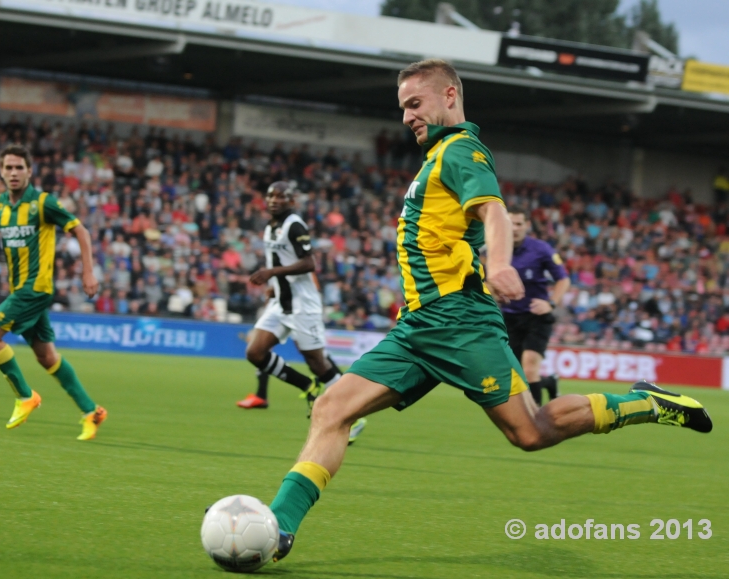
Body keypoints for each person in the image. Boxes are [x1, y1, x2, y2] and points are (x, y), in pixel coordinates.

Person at [261, 59, 712, 562]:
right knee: (331, 408)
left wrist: (499, 263)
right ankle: (277, 524)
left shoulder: (461, 149)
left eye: (416, 103)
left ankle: (645, 403)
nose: (408, 116)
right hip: (418, 327)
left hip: (460, 322)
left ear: (449, 96)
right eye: (403, 107)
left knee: (532, 432)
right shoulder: (435, 158)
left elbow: (493, 211)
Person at [0, 144, 107, 441]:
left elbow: (81, 231)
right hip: (21, 289)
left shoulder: (43, 203)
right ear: (0, 171)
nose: (13, 172)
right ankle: (91, 411)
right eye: (8, 167)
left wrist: (88, 271)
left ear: (29, 171)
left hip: (36, 289)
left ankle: (25, 396)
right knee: (47, 357)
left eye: (19, 167)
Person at [236, 181, 367, 444]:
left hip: (303, 305)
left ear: (291, 201)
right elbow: (281, 260)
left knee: (318, 363)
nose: (274, 200)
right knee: (254, 352)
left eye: (281, 197)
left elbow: (309, 263)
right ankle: (308, 388)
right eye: (271, 195)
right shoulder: (271, 226)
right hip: (281, 302)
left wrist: (272, 274)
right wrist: (275, 286)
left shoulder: (294, 225)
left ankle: (356, 414)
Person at [501, 207, 570, 405]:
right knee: (518, 372)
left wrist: (551, 303)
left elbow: (563, 280)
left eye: (519, 224)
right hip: (509, 317)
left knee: (530, 368)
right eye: (510, 223)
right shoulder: (496, 250)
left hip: (536, 316)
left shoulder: (541, 249)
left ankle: (535, 418)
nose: (514, 228)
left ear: (527, 225)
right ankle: (549, 383)